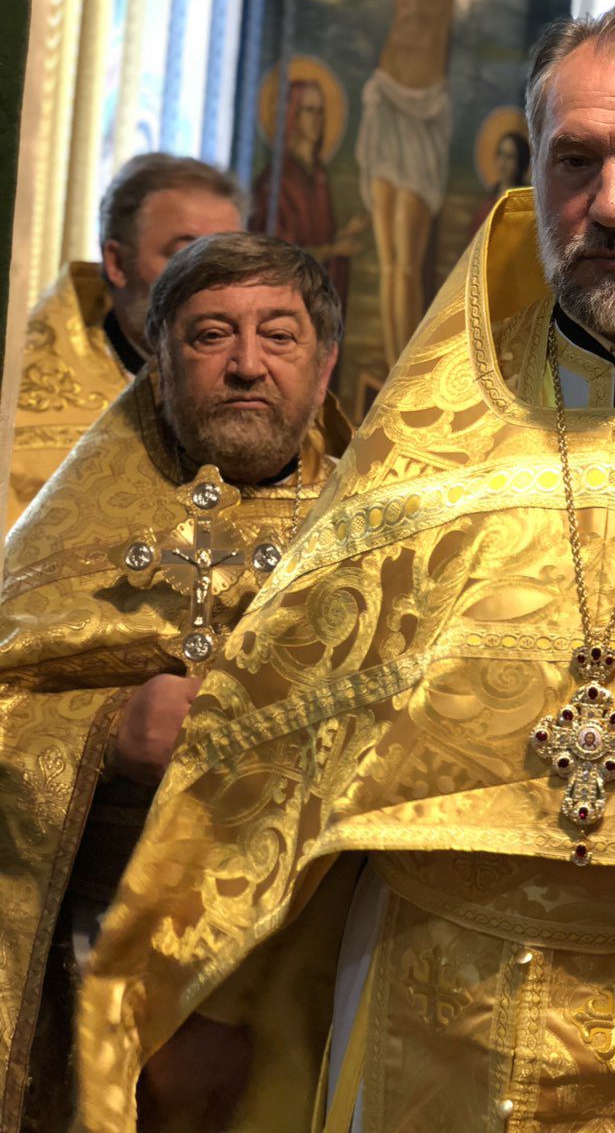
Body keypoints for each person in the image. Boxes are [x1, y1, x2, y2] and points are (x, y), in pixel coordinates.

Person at [76, 6, 615, 1133]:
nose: (610, 204)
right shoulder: (428, 441)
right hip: (417, 989)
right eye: (574, 161)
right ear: (532, 172)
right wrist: (204, 997)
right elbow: (280, 751)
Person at [0, 233, 347, 1132]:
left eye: (279, 335)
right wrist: (107, 730)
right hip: (95, 947)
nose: (246, 364)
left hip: (303, 959)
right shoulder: (71, 527)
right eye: (209, 335)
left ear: (324, 367)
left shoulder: (377, 529)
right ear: (159, 365)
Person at [287, 0, 571, 365]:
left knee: (408, 260)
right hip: (387, 96)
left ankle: (406, 365)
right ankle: (394, 366)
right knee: (388, 257)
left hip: (426, 108)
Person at [7, 153, 245, 530]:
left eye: (227, 257)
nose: (214, 283)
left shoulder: (263, 383)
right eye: (184, 255)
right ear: (117, 264)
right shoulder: (15, 403)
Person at [249, 78, 366, 314]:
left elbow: (314, 236)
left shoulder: (318, 175)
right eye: (309, 110)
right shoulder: (276, 181)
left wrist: (345, 233)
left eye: (321, 112)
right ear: (293, 115)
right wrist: (335, 250)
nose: (317, 119)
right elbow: (278, 253)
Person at [466, 129, 531, 239]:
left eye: (509, 157)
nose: (503, 162)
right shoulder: (489, 199)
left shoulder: (524, 203)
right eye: (501, 154)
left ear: (520, 162)